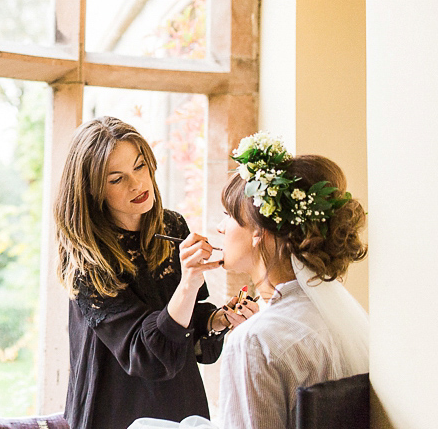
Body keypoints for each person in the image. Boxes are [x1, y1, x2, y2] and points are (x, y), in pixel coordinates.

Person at [130, 131, 369, 429]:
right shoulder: (333, 315)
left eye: (229, 216)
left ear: (258, 231)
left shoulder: (255, 341)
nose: (219, 228)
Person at [55, 117, 255, 429]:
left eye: (139, 166)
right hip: (115, 409)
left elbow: (184, 322)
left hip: (180, 404)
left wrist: (218, 320)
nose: (137, 184)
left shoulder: (172, 225)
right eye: (117, 179)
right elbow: (145, 352)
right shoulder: (86, 260)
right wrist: (189, 280)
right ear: (93, 190)